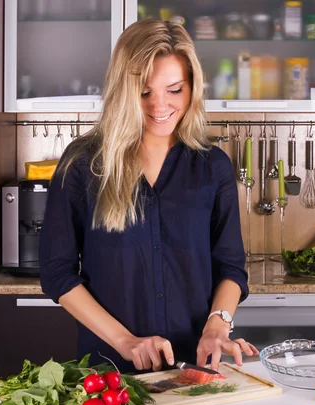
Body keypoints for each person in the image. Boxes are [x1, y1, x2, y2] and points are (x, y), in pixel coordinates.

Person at [39, 19, 257, 374]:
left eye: (175, 89)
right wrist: (126, 341)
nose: (160, 106)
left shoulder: (212, 167)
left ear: (192, 87)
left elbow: (230, 266)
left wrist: (218, 325)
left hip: (195, 368)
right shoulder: (83, 164)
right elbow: (57, 273)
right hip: (109, 372)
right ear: (123, 91)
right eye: (144, 92)